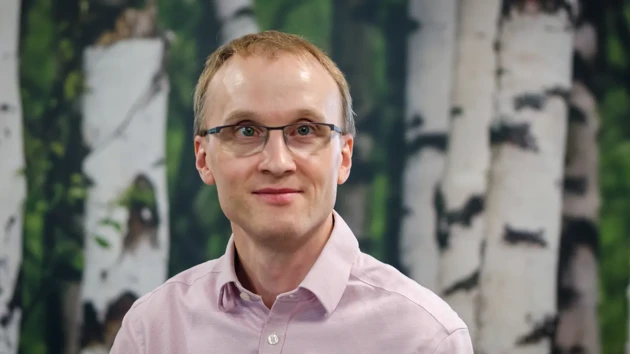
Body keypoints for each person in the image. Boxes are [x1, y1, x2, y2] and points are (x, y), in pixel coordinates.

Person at [110, 30, 473, 353]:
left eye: (304, 130)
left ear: (344, 157)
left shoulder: (424, 338)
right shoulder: (152, 332)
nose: (278, 162)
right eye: (246, 131)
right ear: (204, 159)